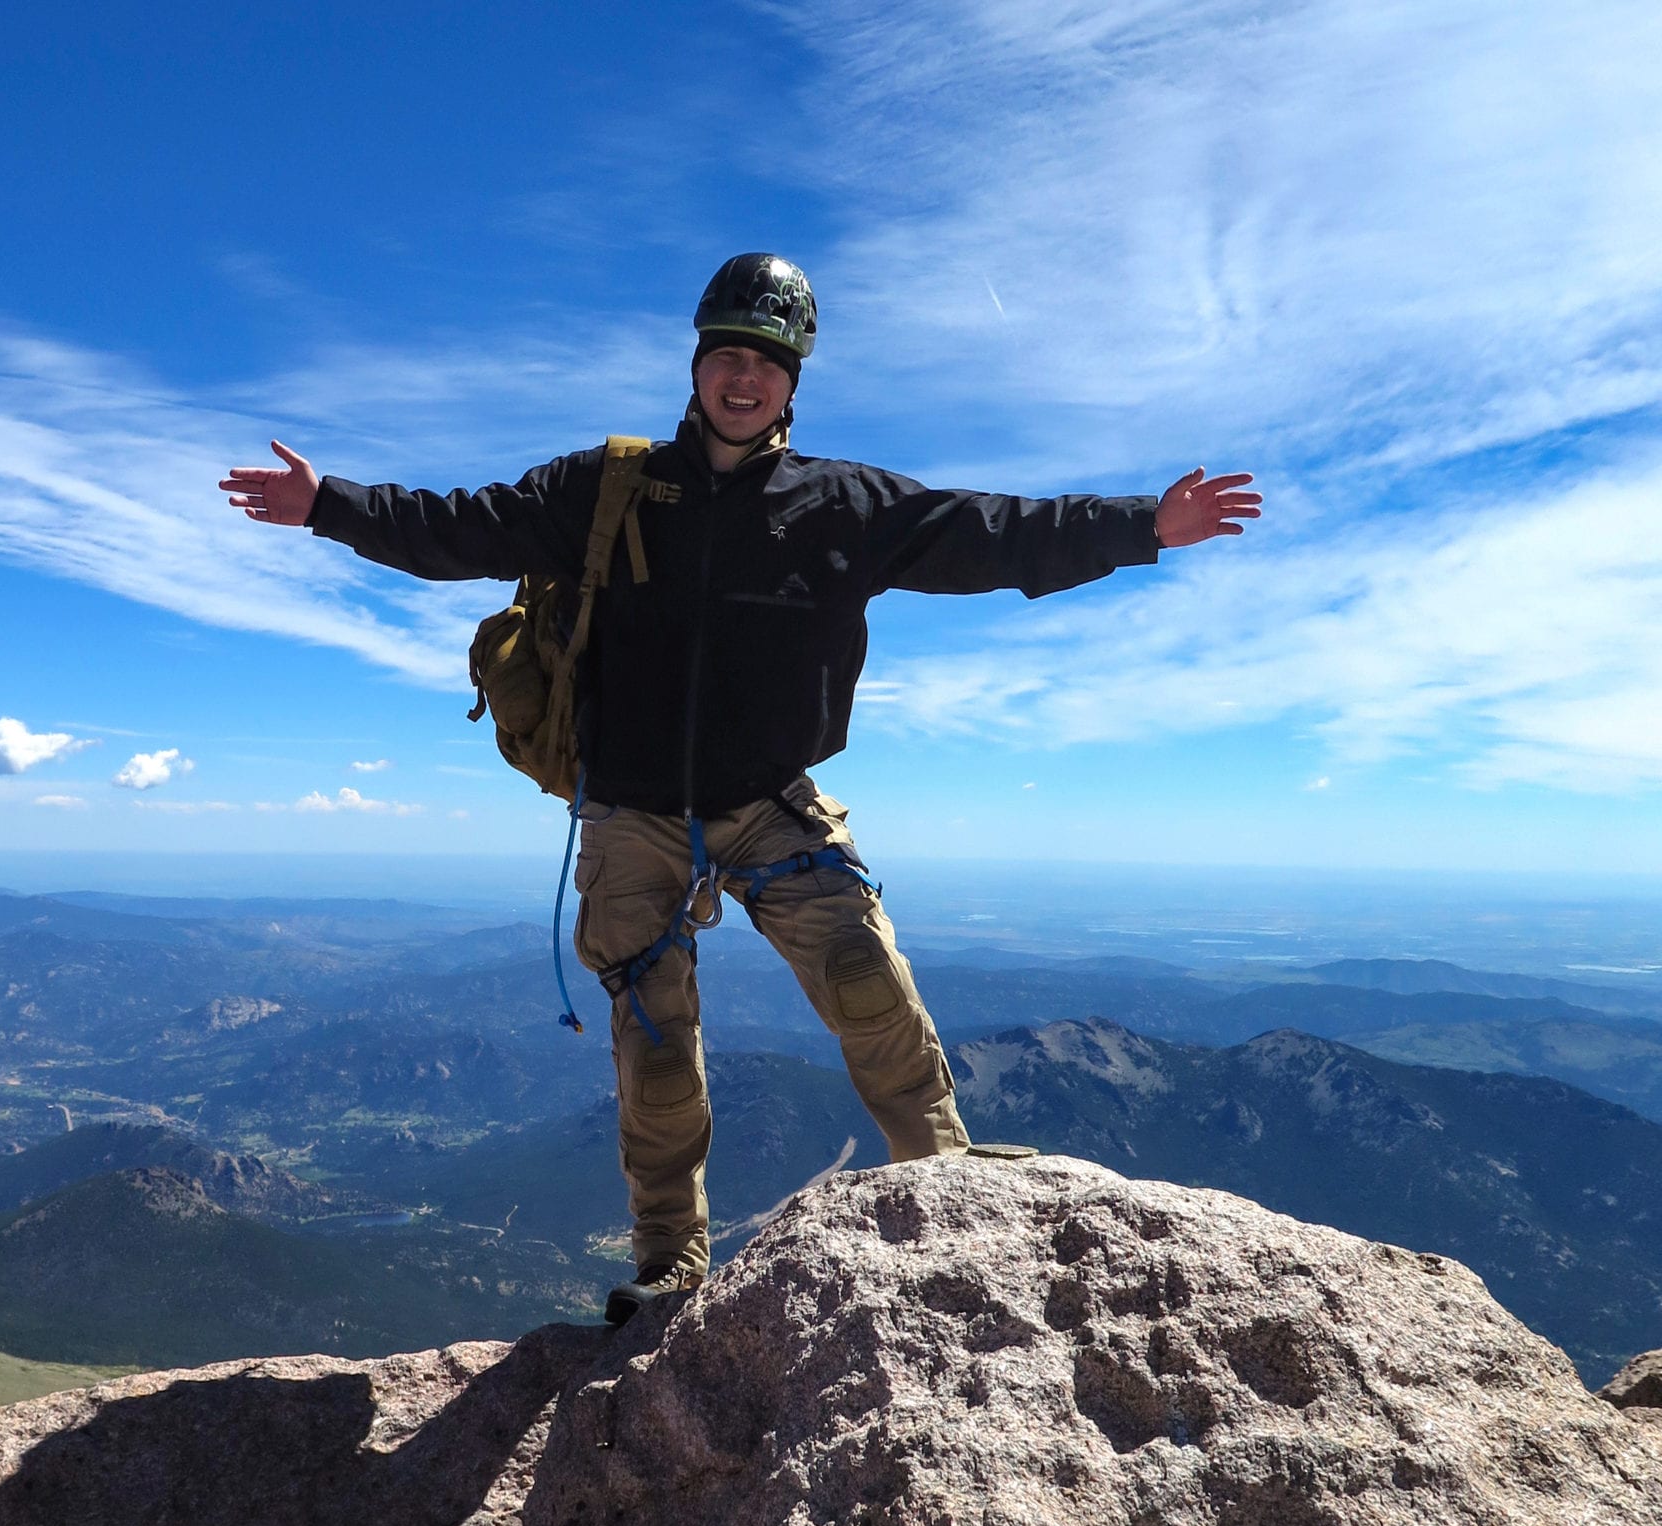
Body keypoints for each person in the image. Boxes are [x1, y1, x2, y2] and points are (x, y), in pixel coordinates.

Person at [222, 254, 1262, 1325]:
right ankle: (670, 1255)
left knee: (865, 981)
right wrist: (327, 507)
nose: (741, 378)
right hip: (631, 804)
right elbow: (462, 524)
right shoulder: (600, 490)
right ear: (695, 364)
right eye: (725, 355)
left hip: (767, 796)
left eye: (763, 363)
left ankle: (943, 1181)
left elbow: (992, 533)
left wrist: (1144, 526)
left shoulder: (842, 504)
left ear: (791, 381)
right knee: (656, 1046)